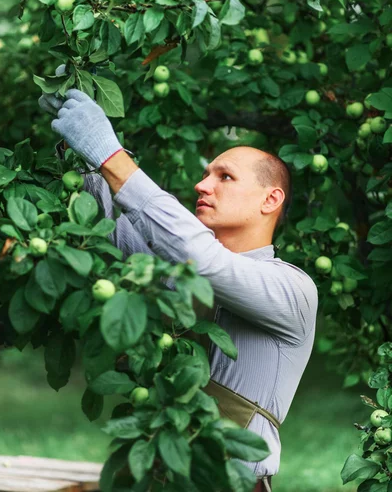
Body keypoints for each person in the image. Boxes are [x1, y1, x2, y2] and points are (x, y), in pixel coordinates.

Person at [39, 88, 318, 492]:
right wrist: (81, 150)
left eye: (224, 177)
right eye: (206, 174)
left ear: (270, 199)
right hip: (155, 475)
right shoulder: (181, 274)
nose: (202, 185)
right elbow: (114, 233)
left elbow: (204, 259)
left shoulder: (292, 289)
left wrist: (109, 153)